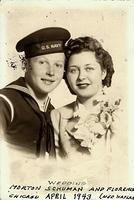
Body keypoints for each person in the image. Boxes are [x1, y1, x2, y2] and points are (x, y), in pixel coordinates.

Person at [51, 36, 127, 184]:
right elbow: (58, 170)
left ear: (103, 72)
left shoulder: (123, 111)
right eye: (73, 70)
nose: (81, 77)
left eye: (89, 68)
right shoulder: (58, 116)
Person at [0, 27, 71, 158]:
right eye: (43, 62)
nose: (51, 72)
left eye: (58, 65)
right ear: (25, 65)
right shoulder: (5, 103)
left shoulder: (52, 112)